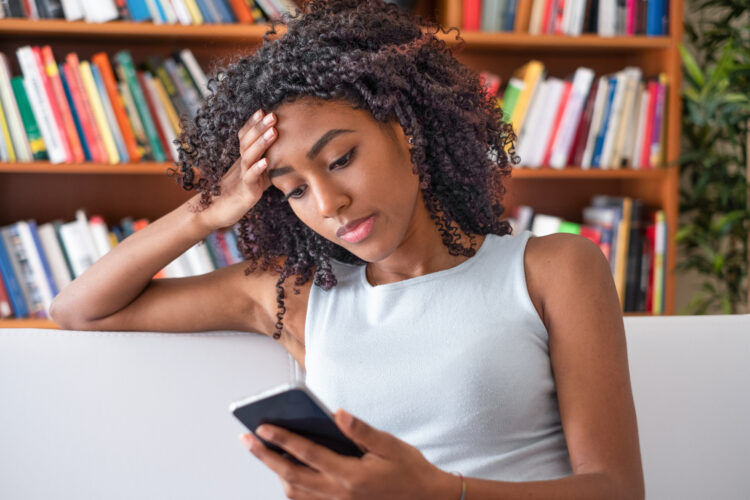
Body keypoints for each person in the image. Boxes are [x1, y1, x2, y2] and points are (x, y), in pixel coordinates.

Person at [50, 0, 645, 498]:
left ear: (409, 134)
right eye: (294, 189)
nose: (328, 203)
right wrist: (211, 207)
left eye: (341, 160)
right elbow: (79, 309)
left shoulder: (552, 268)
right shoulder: (301, 296)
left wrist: (441, 492)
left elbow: (616, 488)